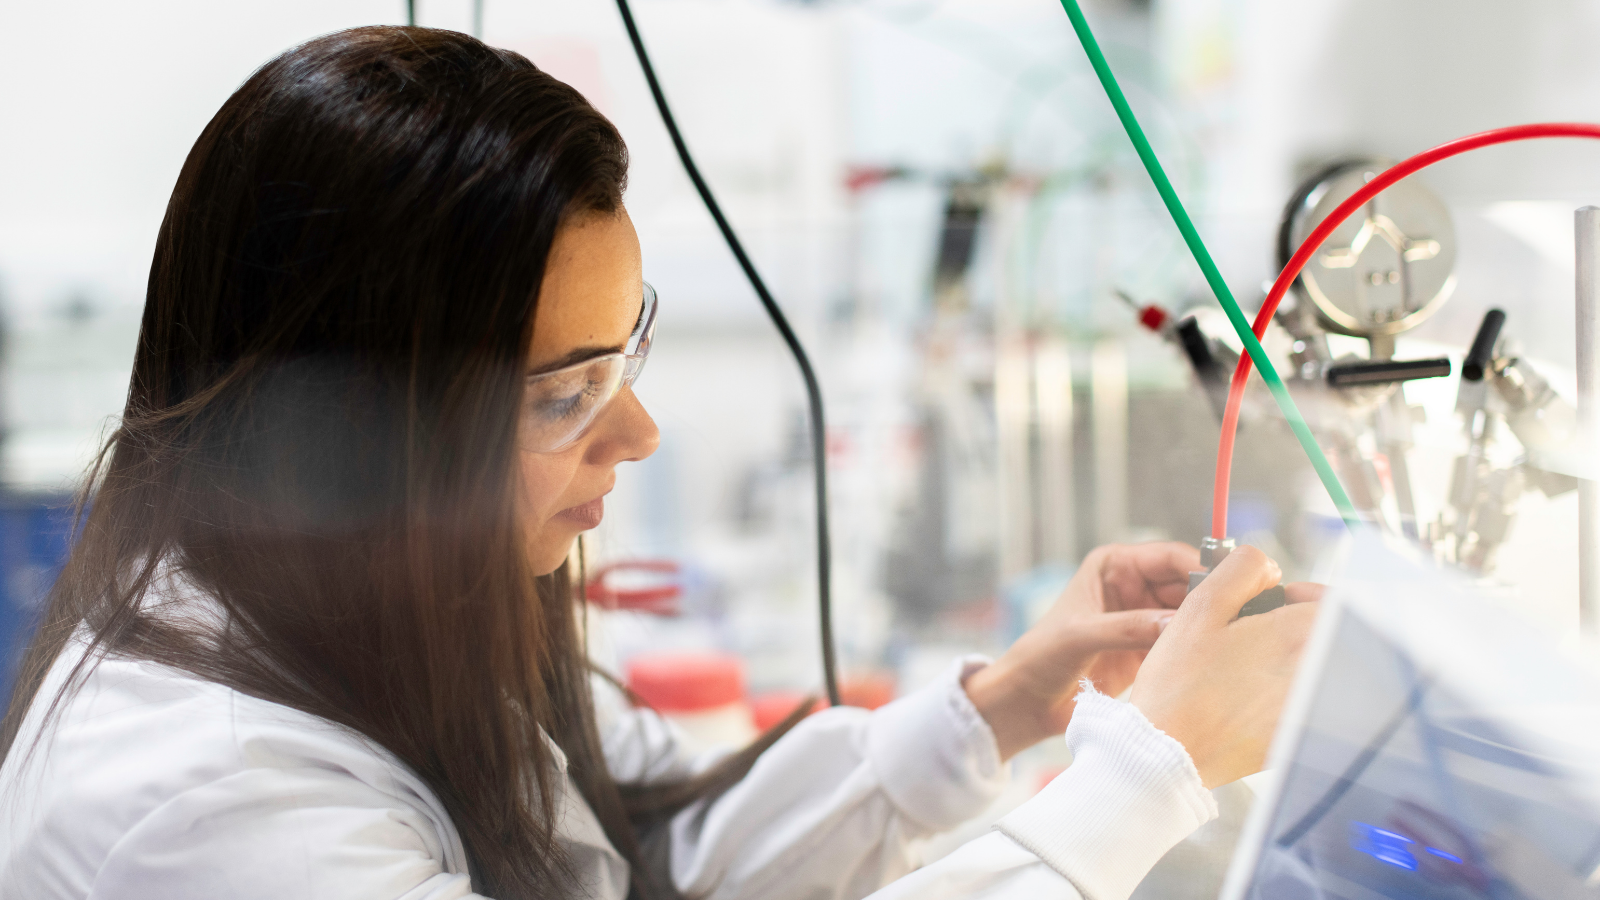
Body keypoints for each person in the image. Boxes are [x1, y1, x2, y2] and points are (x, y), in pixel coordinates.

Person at [0, 26, 1321, 900]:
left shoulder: (374, 606)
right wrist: (1148, 769)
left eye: (622, 357)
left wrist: (1015, 700)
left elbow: (648, 855)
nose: (634, 435)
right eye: (567, 394)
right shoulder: (207, 806)